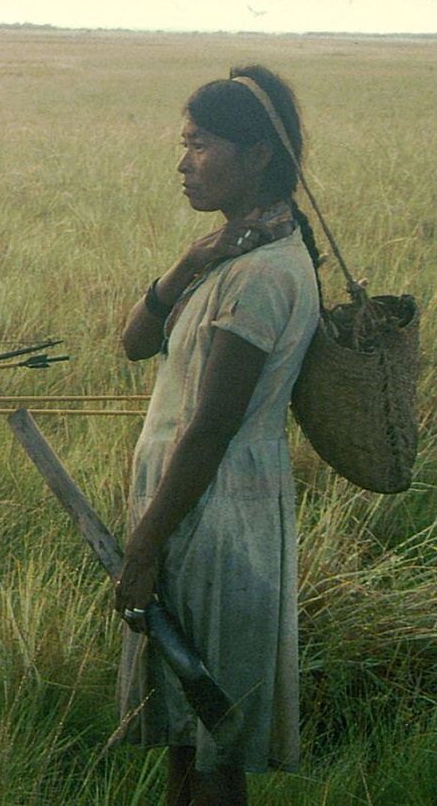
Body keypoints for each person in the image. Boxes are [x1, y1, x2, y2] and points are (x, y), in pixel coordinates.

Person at [115, 65, 322, 804]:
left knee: (214, 750)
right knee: (184, 735)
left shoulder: (265, 276)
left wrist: (142, 547)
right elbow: (135, 342)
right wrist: (184, 264)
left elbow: (208, 430)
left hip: (218, 519)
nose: (183, 163)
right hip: (190, 515)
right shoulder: (226, 256)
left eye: (200, 145)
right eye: (184, 144)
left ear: (258, 154)